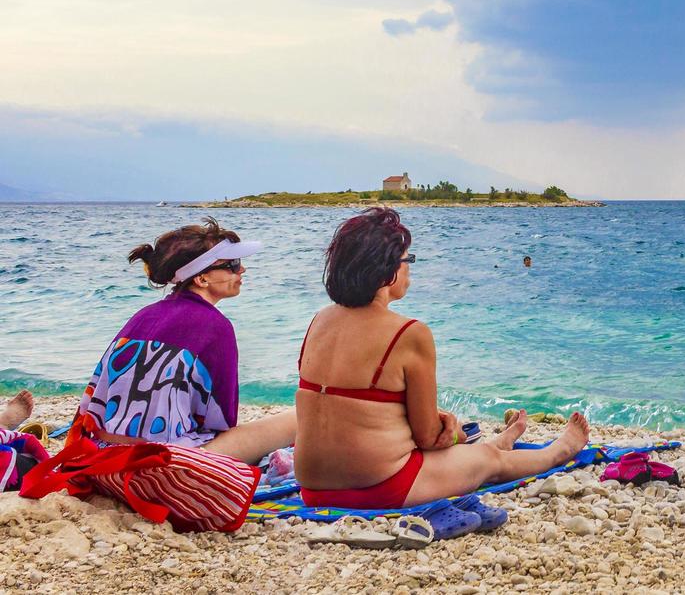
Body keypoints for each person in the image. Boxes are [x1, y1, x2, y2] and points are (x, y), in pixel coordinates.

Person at [294, 207, 588, 509]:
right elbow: (426, 438)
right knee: (489, 461)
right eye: (408, 260)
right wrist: (450, 429)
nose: (410, 267)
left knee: (458, 444)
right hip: (381, 486)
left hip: (314, 489)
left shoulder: (319, 321)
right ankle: (559, 451)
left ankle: (496, 444)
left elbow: (357, 410)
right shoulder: (409, 332)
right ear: (386, 269)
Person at [79, 219, 296, 463]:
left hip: (103, 450)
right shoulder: (216, 326)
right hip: (163, 460)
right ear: (201, 279)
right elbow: (222, 420)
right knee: (297, 419)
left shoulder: (142, 316)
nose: (241, 270)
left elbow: (95, 395)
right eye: (232, 265)